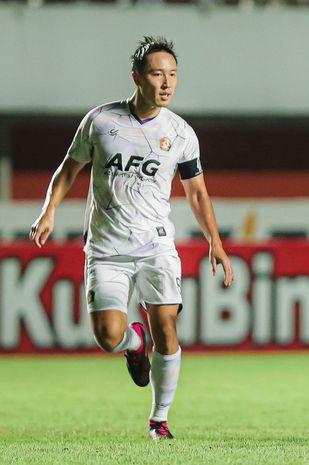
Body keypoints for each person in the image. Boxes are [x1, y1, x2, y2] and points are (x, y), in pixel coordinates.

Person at [29, 36, 233, 440]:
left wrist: (216, 240)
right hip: (106, 248)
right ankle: (132, 341)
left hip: (156, 245)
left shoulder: (181, 133)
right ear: (137, 77)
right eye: (158, 74)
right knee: (107, 337)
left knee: (167, 330)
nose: (167, 83)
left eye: (173, 75)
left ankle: (159, 420)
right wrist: (48, 209)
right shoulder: (101, 121)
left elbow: (196, 191)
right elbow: (69, 168)